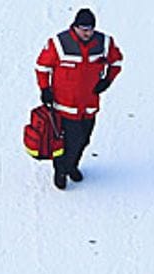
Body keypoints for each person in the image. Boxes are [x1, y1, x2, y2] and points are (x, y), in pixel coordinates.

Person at [35, 8, 123, 189]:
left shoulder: (104, 43)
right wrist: (45, 89)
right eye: (83, 28)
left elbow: (116, 62)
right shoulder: (59, 43)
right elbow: (42, 66)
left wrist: (107, 80)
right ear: (74, 27)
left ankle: (72, 165)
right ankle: (61, 170)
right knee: (66, 142)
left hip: (89, 106)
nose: (87, 32)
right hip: (64, 106)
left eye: (90, 29)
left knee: (84, 140)